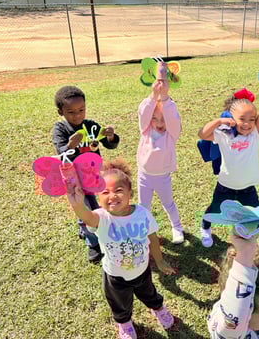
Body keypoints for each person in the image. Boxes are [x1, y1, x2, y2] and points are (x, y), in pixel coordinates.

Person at [66, 158, 176, 339]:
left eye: (118, 190)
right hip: (115, 275)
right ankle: (124, 322)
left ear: (130, 193)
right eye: (105, 192)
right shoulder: (101, 217)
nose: (112, 196)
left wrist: (160, 260)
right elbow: (86, 217)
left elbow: (153, 239)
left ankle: (158, 308)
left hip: (142, 269)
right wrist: (77, 204)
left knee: (149, 292)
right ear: (98, 197)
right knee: (120, 303)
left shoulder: (142, 213)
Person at [197, 76, 259, 247]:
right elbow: (202, 134)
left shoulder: (255, 134)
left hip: (247, 188)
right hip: (225, 185)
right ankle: (205, 228)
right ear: (231, 118)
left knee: (256, 214)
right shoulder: (222, 134)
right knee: (215, 208)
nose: (247, 123)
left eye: (252, 119)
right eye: (242, 119)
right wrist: (219, 121)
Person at [52, 85, 120, 263]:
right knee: (86, 208)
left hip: (93, 176)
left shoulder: (91, 126)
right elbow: (60, 153)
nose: (77, 115)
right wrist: (69, 146)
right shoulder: (60, 129)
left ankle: (87, 230)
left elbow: (109, 144)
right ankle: (94, 244)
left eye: (81, 110)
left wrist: (111, 137)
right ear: (61, 112)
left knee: (95, 206)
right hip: (74, 178)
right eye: (71, 112)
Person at [137, 79, 184, 244]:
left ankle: (177, 227)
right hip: (143, 176)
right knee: (143, 208)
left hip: (162, 177)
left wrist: (164, 97)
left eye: (163, 119)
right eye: (155, 118)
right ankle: (144, 233)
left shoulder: (172, 134)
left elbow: (173, 118)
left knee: (168, 204)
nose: (159, 123)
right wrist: (153, 95)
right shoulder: (145, 129)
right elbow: (144, 112)